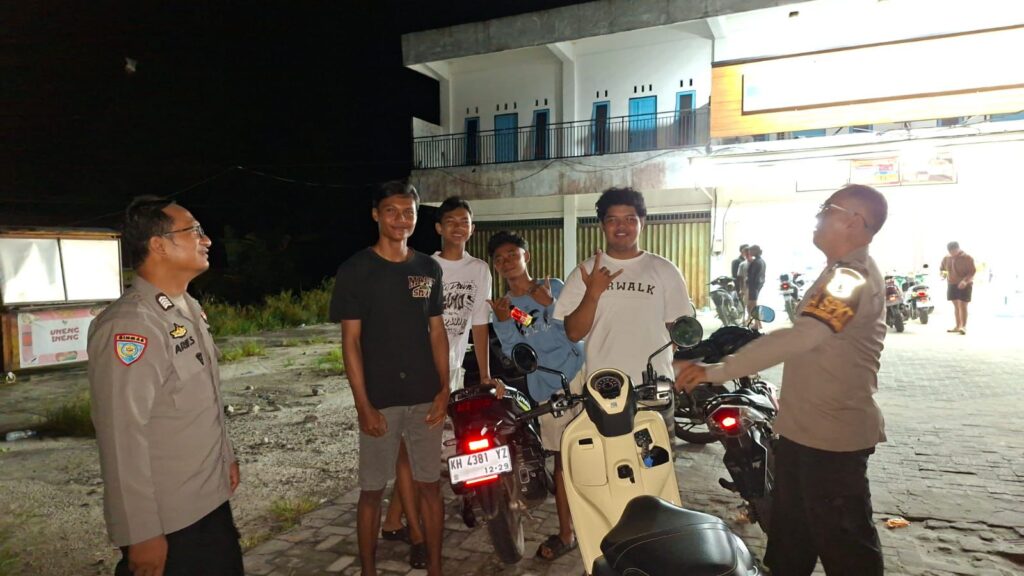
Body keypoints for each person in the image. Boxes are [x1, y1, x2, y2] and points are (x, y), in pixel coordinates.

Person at [675, 184, 889, 576]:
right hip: (803, 432)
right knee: (791, 539)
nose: (819, 216)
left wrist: (717, 370)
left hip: (832, 439)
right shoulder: (837, 272)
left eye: (827, 208)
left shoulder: (851, 277)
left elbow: (803, 336)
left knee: (847, 547)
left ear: (853, 221)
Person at [88, 196, 243, 576]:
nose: (206, 240)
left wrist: (226, 455)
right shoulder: (132, 325)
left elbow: (204, 397)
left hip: (209, 502)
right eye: (195, 231)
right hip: (171, 519)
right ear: (158, 245)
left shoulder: (186, 307)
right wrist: (140, 533)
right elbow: (122, 436)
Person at [329, 180, 449, 576]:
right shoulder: (356, 270)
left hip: (424, 395)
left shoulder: (428, 268)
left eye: (408, 212)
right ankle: (368, 569)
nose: (401, 219)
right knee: (371, 491)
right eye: (392, 211)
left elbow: (437, 332)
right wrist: (363, 405)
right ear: (376, 215)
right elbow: (351, 342)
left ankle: (435, 568)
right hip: (379, 398)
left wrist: (444, 389)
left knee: (429, 485)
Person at [378, 196, 495, 565]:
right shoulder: (423, 267)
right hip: (416, 372)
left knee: (424, 453)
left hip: (452, 371)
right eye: (451, 221)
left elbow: (479, 323)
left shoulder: (480, 270)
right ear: (439, 228)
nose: (459, 227)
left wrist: (485, 374)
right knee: (416, 457)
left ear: (472, 229)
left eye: (465, 221)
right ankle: (417, 535)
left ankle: (393, 521)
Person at [554, 186, 694, 435]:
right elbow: (573, 333)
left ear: (642, 223)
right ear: (602, 225)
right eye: (612, 220)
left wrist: (662, 359)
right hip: (603, 388)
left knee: (657, 458)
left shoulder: (664, 270)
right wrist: (593, 293)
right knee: (606, 459)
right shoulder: (585, 272)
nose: (621, 226)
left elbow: (677, 330)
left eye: (630, 219)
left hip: (653, 388)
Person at [486, 230, 585, 561]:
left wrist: (550, 304)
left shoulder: (554, 286)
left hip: (580, 374)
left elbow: (574, 331)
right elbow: (517, 352)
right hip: (549, 387)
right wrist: (503, 323)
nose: (506, 262)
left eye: (512, 254)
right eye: (499, 259)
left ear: (526, 256)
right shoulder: (507, 307)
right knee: (562, 460)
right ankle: (568, 532)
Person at [940, 241, 975, 335]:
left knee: (963, 305)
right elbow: (942, 269)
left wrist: (965, 281)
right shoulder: (946, 258)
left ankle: (963, 327)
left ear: (958, 249)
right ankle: (957, 326)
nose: (952, 254)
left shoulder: (967, 258)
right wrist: (943, 274)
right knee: (956, 306)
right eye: (950, 252)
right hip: (952, 283)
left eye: (954, 251)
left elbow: (972, 272)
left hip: (965, 284)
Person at [746, 244, 766, 329]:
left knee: (752, 306)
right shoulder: (761, 261)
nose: (749, 252)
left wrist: (748, 284)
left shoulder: (756, 262)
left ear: (755, 251)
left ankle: (757, 324)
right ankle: (758, 323)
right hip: (758, 285)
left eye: (750, 250)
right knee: (752, 305)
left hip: (753, 286)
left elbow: (751, 276)